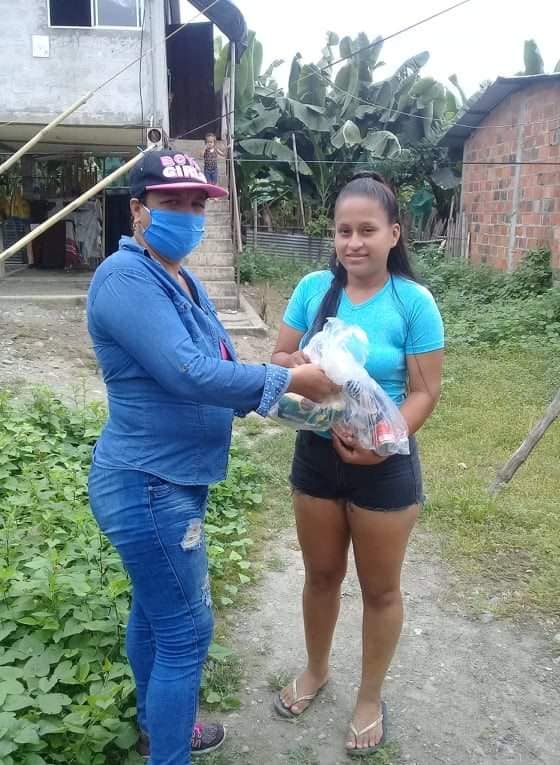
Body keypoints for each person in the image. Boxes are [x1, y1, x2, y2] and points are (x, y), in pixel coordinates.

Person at [86, 150, 339, 765]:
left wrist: (285, 376)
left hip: (171, 478)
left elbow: (219, 364)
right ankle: (169, 750)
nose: (188, 214)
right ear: (138, 210)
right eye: (171, 202)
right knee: (186, 631)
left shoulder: (181, 279)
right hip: (148, 482)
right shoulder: (124, 278)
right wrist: (288, 382)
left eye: (197, 204)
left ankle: (157, 730)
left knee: (155, 613)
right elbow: (187, 372)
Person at [271, 172, 444, 757]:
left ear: (393, 234)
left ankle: (369, 698)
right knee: (320, 575)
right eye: (344, 231)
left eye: (367, 230)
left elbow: (424, 392)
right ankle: (316, 669)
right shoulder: (314, 289)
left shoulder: (413, 303)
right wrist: (299, 362)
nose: (354, 242)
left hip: (386, 466)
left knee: (380, 590)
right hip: (317, 458)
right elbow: (278, 357)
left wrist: (383, 443)